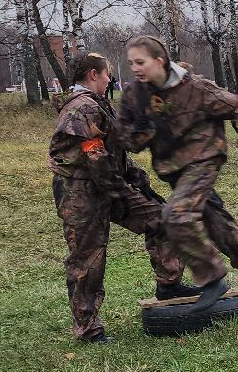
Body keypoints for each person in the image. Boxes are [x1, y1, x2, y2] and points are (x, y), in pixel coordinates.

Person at [49, 52, 193, 343]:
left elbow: (113, 151)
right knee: (87, 258)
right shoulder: (81, 108)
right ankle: (88, 328)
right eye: (106, 74)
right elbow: (96, 158)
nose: (109, 79)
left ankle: (169, 285)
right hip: (81, 193)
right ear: (93, 74)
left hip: (109, 185)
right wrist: (125, 190)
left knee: (161, 219)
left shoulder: (97, 104)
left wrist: (138, 181)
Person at [117, 37, 238, 315]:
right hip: (173, 170)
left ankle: (212, 279)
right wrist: (143, 126)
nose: (135, 69)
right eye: (131, 63)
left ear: (159, 61)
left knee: (176, 215)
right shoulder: (134, 95)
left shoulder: (196, 88)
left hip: (203, 160)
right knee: (213, 220)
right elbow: (128, 141)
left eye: (140, 62)